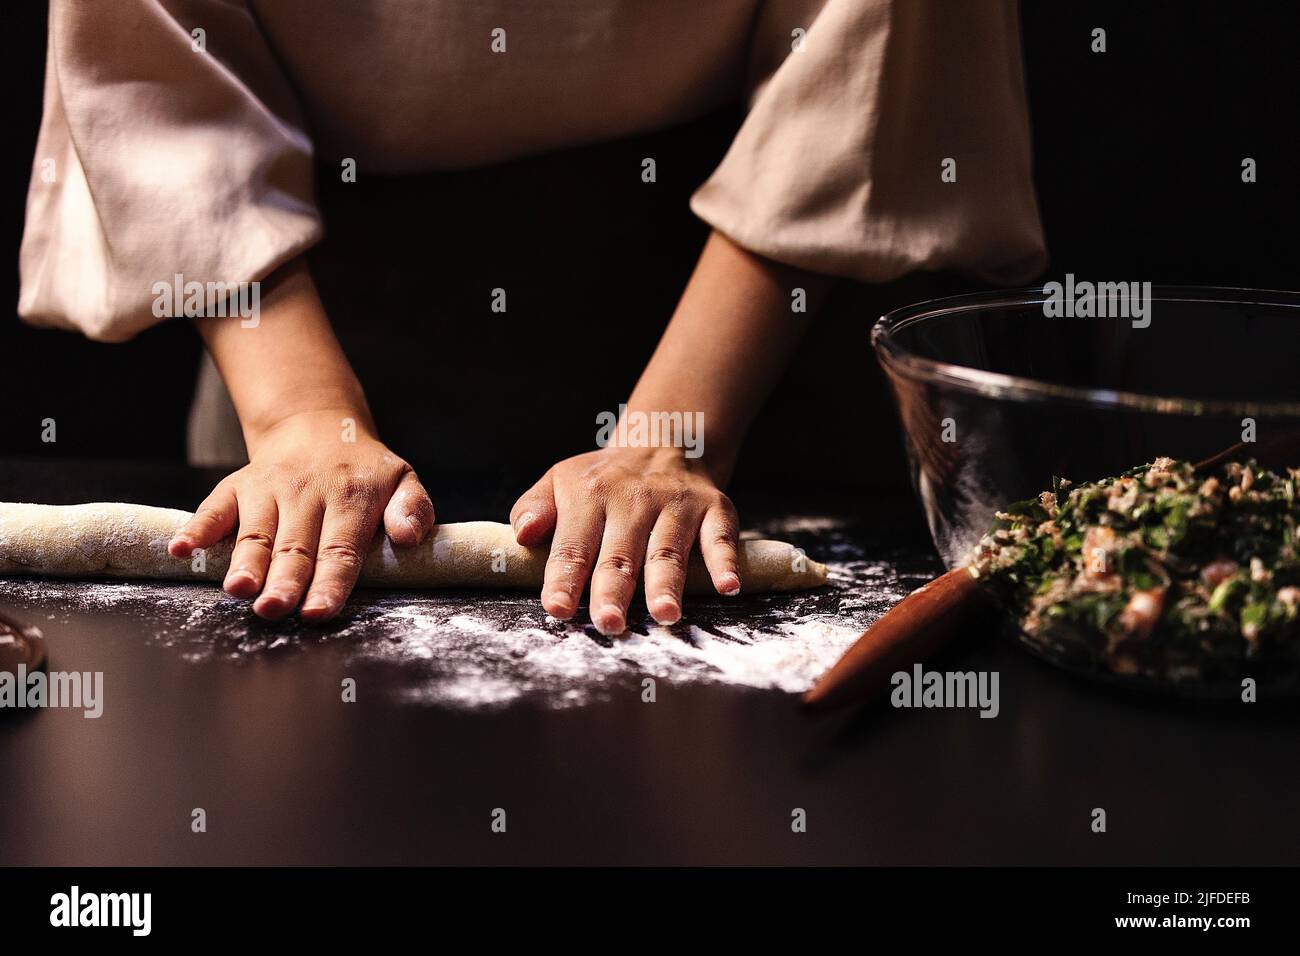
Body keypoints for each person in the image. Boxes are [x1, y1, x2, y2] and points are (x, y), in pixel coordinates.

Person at [18, 1, 1045, 631]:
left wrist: (668, 434)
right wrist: (297, 420)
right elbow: (159, 77)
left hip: (742, 352)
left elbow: (875, 42)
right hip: (297, 338)